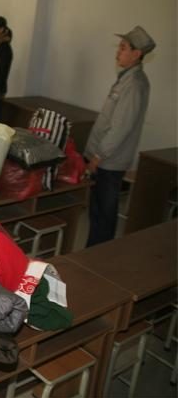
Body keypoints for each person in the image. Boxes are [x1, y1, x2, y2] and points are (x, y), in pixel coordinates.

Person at [84, 26, 155, 247]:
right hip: (106, 158)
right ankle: (93, 250)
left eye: (123, 48)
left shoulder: (134, 84)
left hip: (109, 161)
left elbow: (120, 127)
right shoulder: (126, 79)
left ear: (136, 54)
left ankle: (99, 254)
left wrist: (98, 156)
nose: (118, 52)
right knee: (97, 210)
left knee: (104, 212)